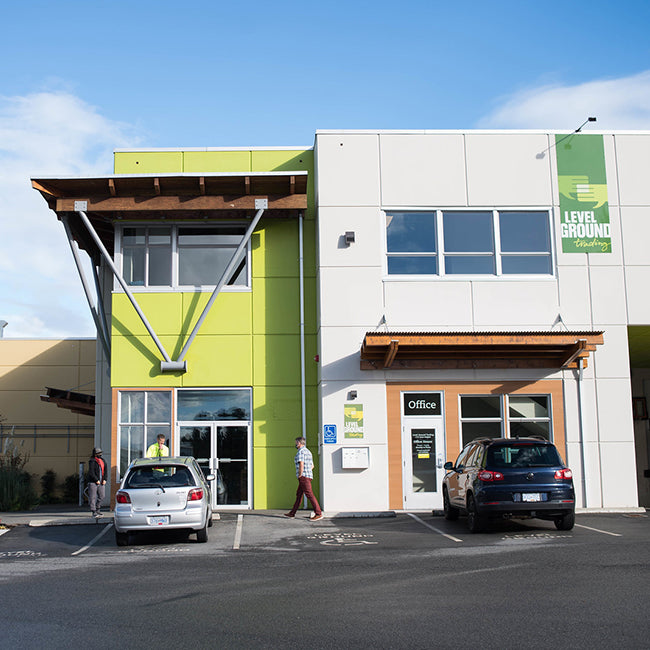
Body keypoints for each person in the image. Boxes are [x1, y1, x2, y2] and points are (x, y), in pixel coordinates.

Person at [285, 436, 323, 520]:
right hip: (308, 476)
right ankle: (292, 513)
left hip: (304, 477)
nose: (295, 444)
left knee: (309, 494)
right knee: (299, 494)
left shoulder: (301, 452)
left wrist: (300, 474)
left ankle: (318, 513)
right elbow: (312, 466)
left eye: (296, 443)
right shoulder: (308, 452)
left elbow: (301, 464)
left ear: (299, 443)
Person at [88, 447, 107, 518]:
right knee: (93, 497)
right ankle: (93, 511)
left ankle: (98, 509)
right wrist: (96, 480)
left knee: (102, 496)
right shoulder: (92, 461)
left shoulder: (103, 461)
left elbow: (105, 471)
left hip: (101, 482)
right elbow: (91, 472)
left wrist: (105, 479)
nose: (100, 454)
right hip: (93, 482)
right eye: (98, 453)